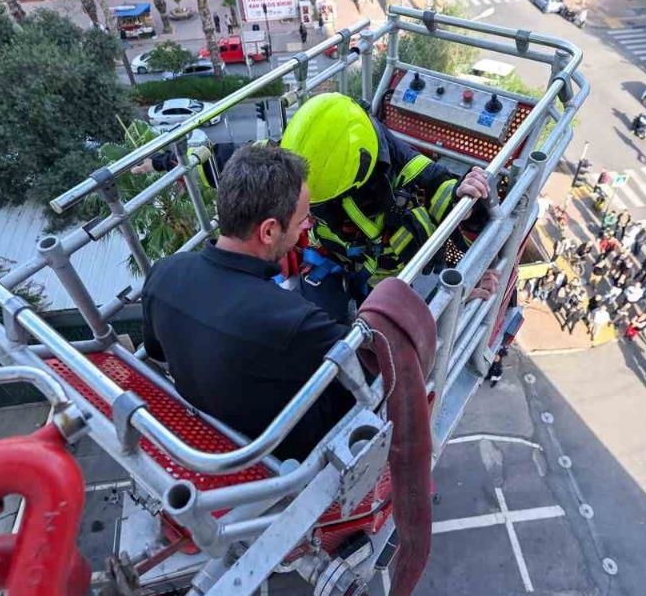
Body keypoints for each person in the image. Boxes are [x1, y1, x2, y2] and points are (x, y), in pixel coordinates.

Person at [140, 144, 348, 461]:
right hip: (290, 453)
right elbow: (368, 374)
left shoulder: (164, 273)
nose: (308, 227)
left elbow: (157, 353)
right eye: (303, 220)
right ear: (269, 230)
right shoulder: (295, 321)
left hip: (211, 426)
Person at [281, 93, 490, 322]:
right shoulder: (316, 162)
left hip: (397, 284)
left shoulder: (405, 169)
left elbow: (443, 191)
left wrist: (465, 204)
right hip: (332, 263)